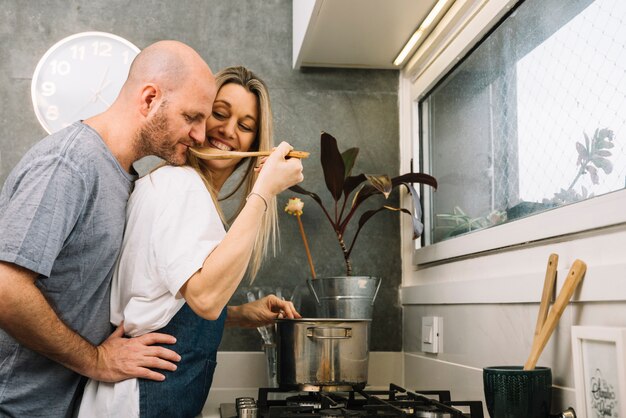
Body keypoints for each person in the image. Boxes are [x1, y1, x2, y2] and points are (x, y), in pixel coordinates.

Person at [0, 40, 219, 417]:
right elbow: (6, 288)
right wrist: (96, 361)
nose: (200, 135)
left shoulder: (128, 179)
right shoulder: (69, 163)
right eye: (191, 118)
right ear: (149, 99)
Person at [77, 66, 303, 417]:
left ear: (256, 144)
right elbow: (205, 297)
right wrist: (264, 191)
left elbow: (162, 298)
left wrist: (241, 316)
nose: (228, 131)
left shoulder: (180, 187)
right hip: (145, 399)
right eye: (220, 113)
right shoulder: (182, 186)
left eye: (244, 126)